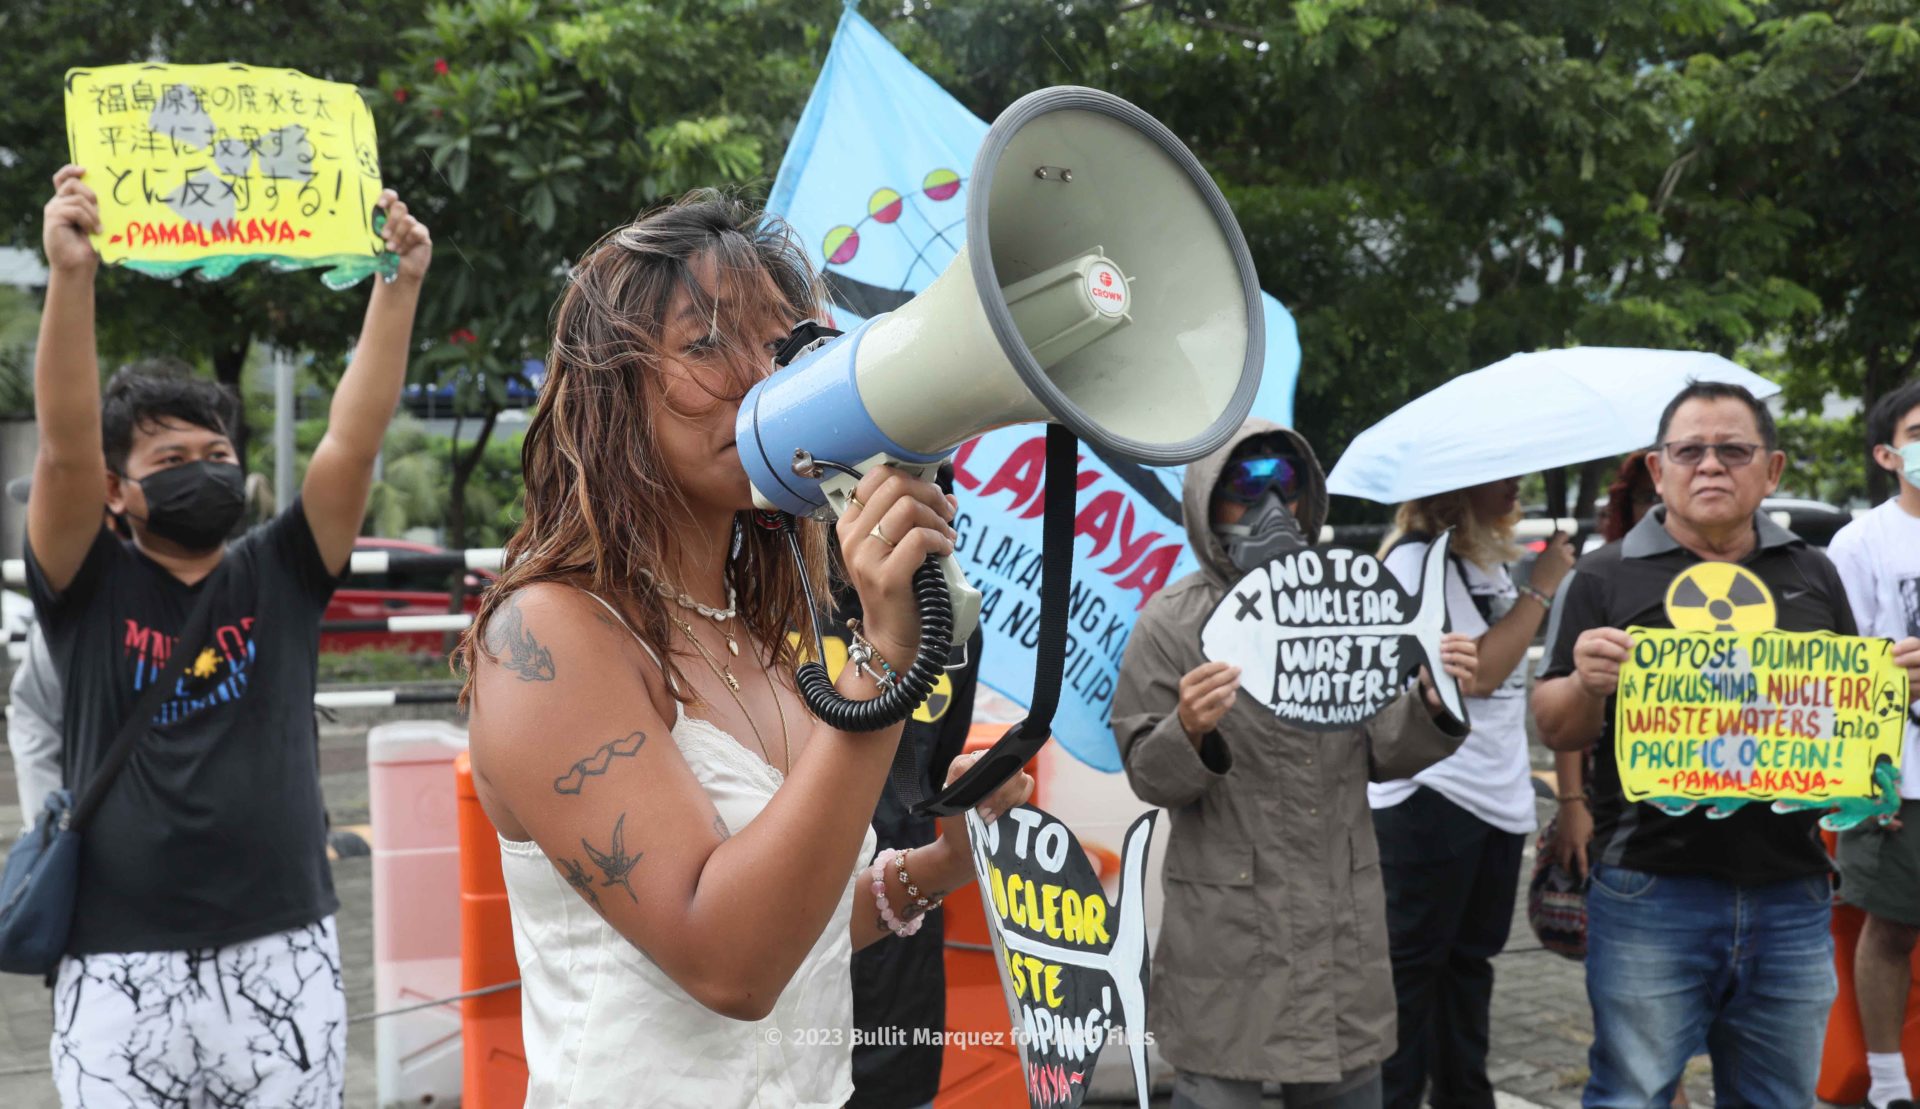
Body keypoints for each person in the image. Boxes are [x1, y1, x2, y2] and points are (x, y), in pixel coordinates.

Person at [457, 192, 1030, 1109]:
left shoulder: (759, 626)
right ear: (611, 392)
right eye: (705, 343)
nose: (762, 380)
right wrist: (884, 663)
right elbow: (732, 964)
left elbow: (790, 918)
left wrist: (937, 867)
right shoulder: (551, 634)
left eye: (780, 345)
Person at [29, 164, 432, 1105]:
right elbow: (61, 445)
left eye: (218, 456)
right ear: (116, 490)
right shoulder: (88, 582)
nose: (204, 473)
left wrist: (398, 284)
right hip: (118, 966)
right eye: (170, 460)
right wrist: (73, 276)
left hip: (283, 948)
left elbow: (352, 441)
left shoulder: (280, 569)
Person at [1534, 381, 1920, 1107]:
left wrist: (1891, 689)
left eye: (1734, 450)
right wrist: (1585, 683)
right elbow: (1555, 725)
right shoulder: (1601, 575)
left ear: (1770, 471)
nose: (1710, 465)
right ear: (1658, 469)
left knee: (1779, 1096)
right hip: (1651, 888)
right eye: (1690, 450)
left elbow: (1844, 715)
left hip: (1792, 890)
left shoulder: (1814, 572)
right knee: (1634, 1091)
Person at [1112, 419, 1479, 1109]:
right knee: (1218, 1089)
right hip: (1226, 946)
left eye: (1287, 487)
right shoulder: (1171, 622)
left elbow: (1386, 748)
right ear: (1206, 503)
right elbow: (1147, 774)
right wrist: (1188, 728)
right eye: (1245, 489)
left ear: (1311, 500)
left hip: (1340, 935)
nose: (1271, 508)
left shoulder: (1348, 605)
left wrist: (1432, 702)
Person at [1370, 477, 1575, 1109]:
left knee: (1468, 970)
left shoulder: (1478, 561)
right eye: (1501, 477)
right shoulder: (1415, 558)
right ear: (1456, 485)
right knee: (1412, 979)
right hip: (1432, 796)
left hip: (1494, 794)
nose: (1517, 487)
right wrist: (1542, 587)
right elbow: (1478, 675)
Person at [1829, 378, 1920, 1109]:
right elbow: (1836, 669)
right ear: (1888, 453)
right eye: (1919, 432)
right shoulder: (1859, 542)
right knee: (1888, 929)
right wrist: (1866, 780)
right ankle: (1888, 1083)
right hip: (1900, 777)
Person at [1548, 450, 1657, 883]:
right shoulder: (1602, 576)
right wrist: (1572, 801)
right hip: (1628, 818)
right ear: (1625, 506)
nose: (1660, 506)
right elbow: (1565, 706)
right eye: (1647, 497)